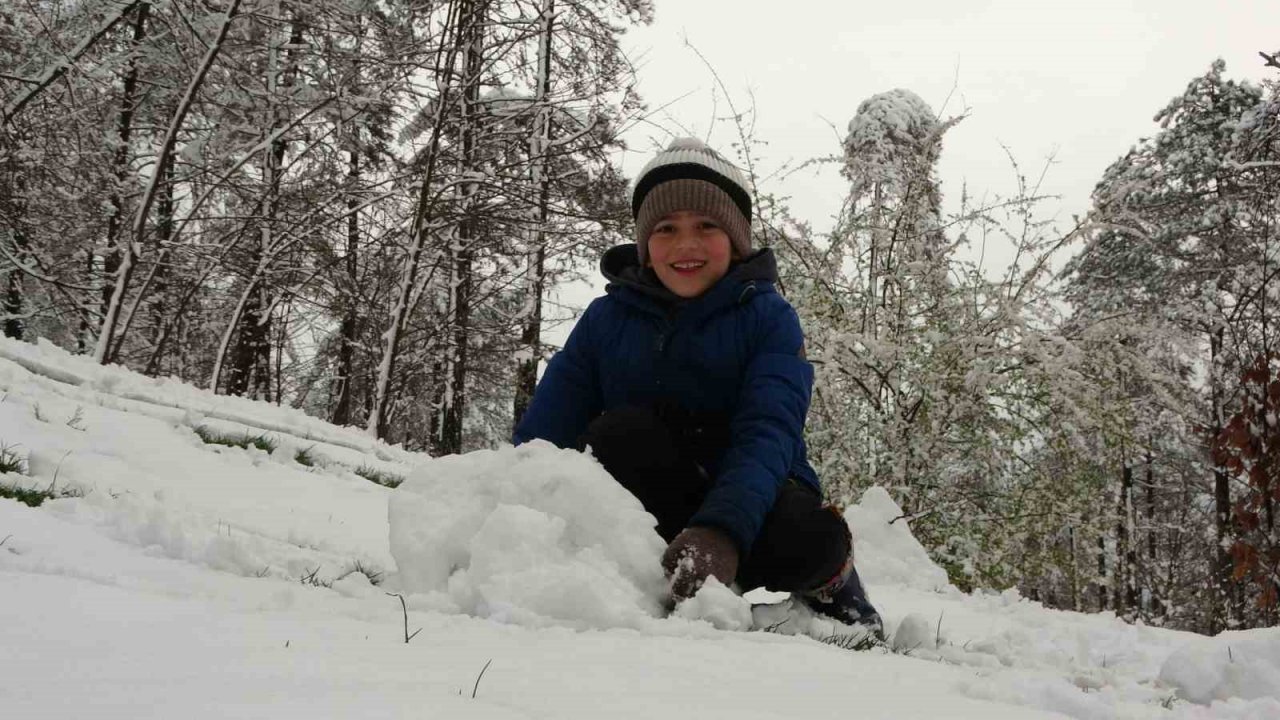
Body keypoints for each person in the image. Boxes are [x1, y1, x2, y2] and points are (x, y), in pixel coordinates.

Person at [514, 137, 881, 637]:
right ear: (646, 245)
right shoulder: (607, 319)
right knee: (617, 433)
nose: (685, 245)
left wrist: (722, 530)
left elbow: (768, 430)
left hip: (756, 495)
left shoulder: (769, 318)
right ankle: (660, 574)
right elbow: (548, 426)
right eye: (666, 229)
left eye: (706, 226)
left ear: (736, 239)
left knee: (812, 537)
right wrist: (507, 505)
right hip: (656, 492)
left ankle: (835, 589)